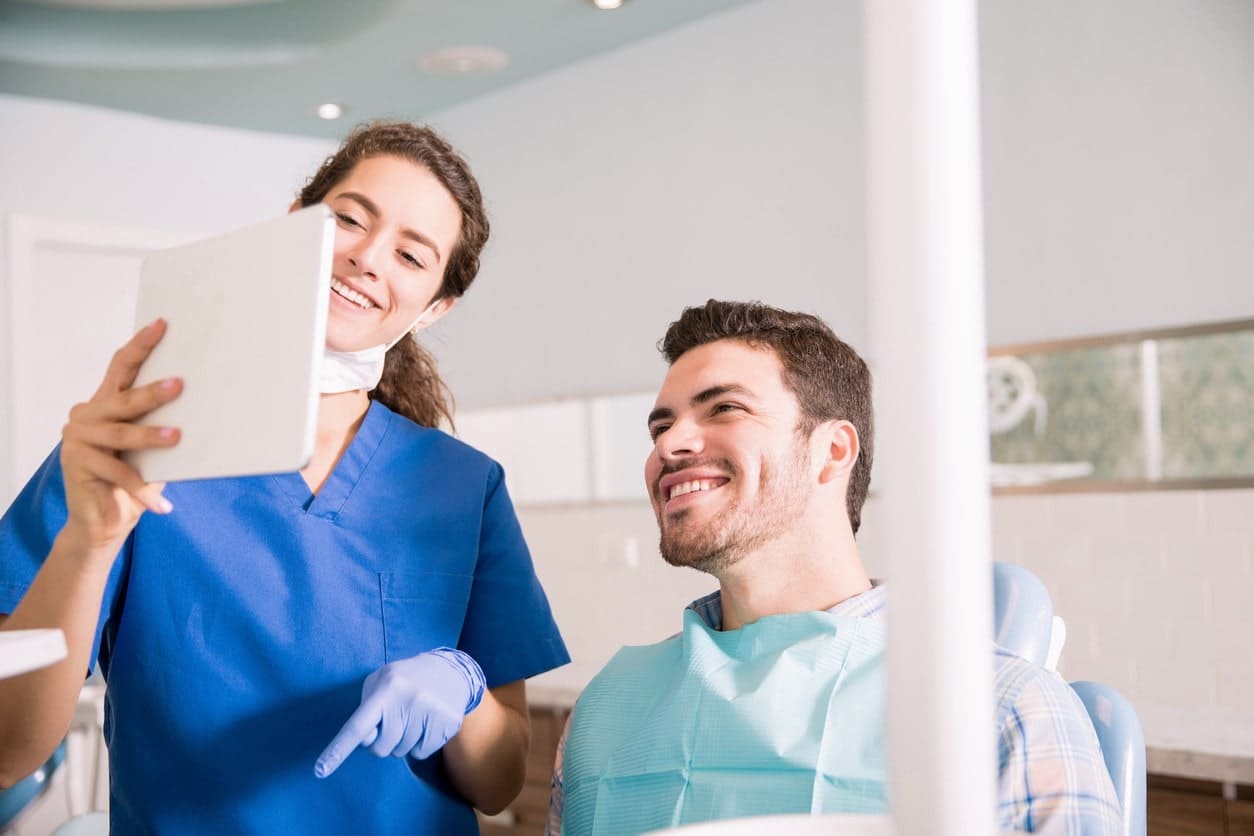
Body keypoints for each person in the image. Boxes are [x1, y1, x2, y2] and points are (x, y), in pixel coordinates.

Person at [0, 121, 569, 834]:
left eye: (409, 255)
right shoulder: (132, 445)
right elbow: (7, 754)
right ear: (295, 224)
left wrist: (466, 695)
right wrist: (88, 542)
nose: (367, 258)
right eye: (349, 220)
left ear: (434, 308)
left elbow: (501, 781)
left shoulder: (463, 487)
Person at [548, 300, 1121, 835]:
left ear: (834, 451)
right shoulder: (604, 713)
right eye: (660, 427)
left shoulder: (1002, 709)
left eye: (724, 408)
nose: (669, 444)